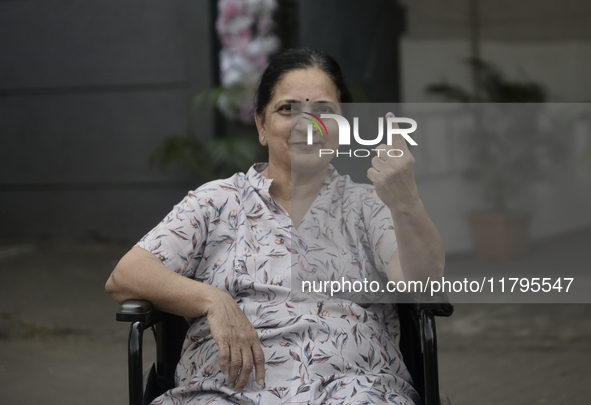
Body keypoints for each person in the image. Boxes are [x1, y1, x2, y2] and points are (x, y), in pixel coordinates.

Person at [106, 48, 444, 405]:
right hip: (224, 391)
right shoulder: (216, 201)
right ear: (261, 125)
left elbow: (422, 284)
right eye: (287, 109)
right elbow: (125, 276)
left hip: (354, 386)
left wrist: (407, 201)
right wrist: (213, 299)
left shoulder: (368, 205)